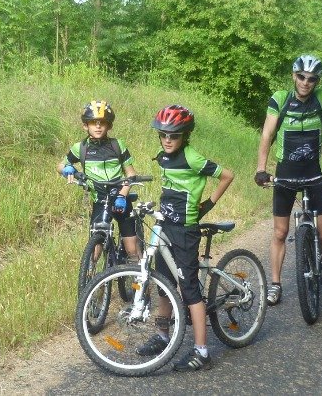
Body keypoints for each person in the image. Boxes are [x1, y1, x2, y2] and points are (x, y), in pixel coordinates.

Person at [136, 105, 234, 371]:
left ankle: (202, 351)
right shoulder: (163, 157)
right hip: (165, 226)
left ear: (185, 135)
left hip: (186, 230)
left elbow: (227, 176)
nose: (168, 140)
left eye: (174, 135)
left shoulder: (193, 158)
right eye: (163, 134)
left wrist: (208, 205)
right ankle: (162, 336)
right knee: (164, 283)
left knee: (189, 289)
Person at [254, 54, 322, 306]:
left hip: (312, 173)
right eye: (301, 77)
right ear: (293, 76)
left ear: (317, 81)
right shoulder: (280, 99)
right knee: (280, 232)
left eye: (312, 79)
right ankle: (275, 284)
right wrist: (261, 169)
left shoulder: (321, 100)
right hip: (285, 172)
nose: (306, 82)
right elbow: (267, 134)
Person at [57, 100, 140, 260]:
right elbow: (60, 165)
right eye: (93, 123)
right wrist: (68, 169)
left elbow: (131, 174)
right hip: (100, 201)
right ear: (85, 126)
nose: (98, 126)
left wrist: (123, 195)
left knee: (132, 251)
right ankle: (93, 282)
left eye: (102, 123)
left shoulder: (118, 145)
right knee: (94, 253)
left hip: (121, 199)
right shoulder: (80, 148)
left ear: (109, 126)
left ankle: (139, 280)